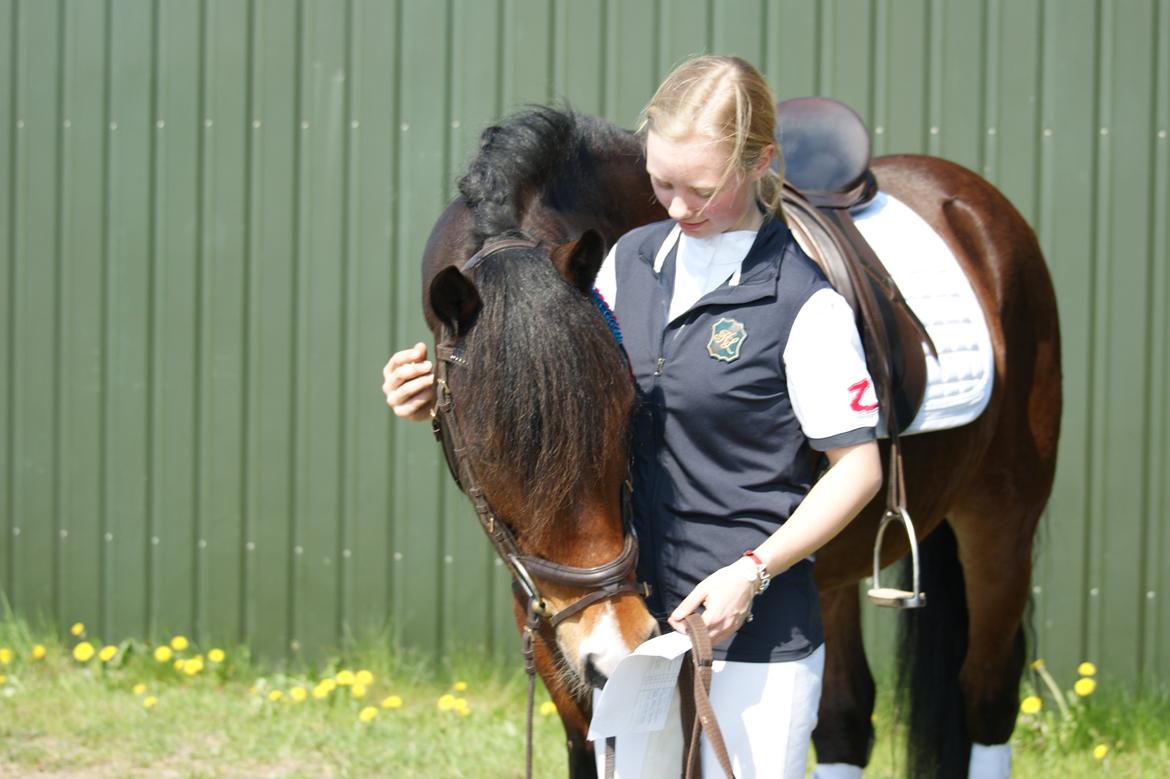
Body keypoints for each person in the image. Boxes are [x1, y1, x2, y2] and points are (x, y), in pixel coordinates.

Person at [384, 55, 883, 779]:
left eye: (702, 189)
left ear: (761, 162)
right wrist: (438, 392)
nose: (678, 207)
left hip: (753, 637)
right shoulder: (625, 262)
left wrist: (752, 572)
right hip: (638, 626)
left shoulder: (806, 305)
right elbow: (565, 401)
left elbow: (858, 470)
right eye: (662, 183)